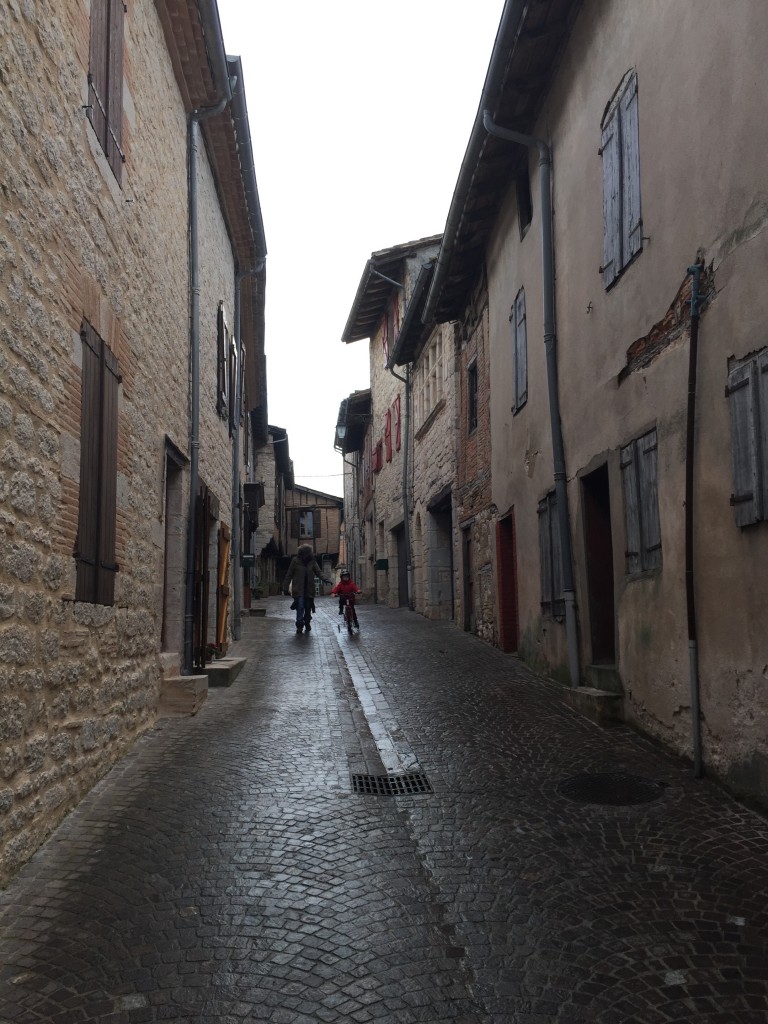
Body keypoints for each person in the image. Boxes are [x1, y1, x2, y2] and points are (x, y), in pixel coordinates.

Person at [282, 544, 328, 633]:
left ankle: (307, 621)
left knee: (308, 608)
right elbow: (289, 574)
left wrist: (325, 579)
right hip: (298, 588)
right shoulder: (295, 561)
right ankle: (299, 625)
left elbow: (318, 572)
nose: (306, 555)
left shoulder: (312, 562)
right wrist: (285, 586)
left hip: (309, 589)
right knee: (300, 606)